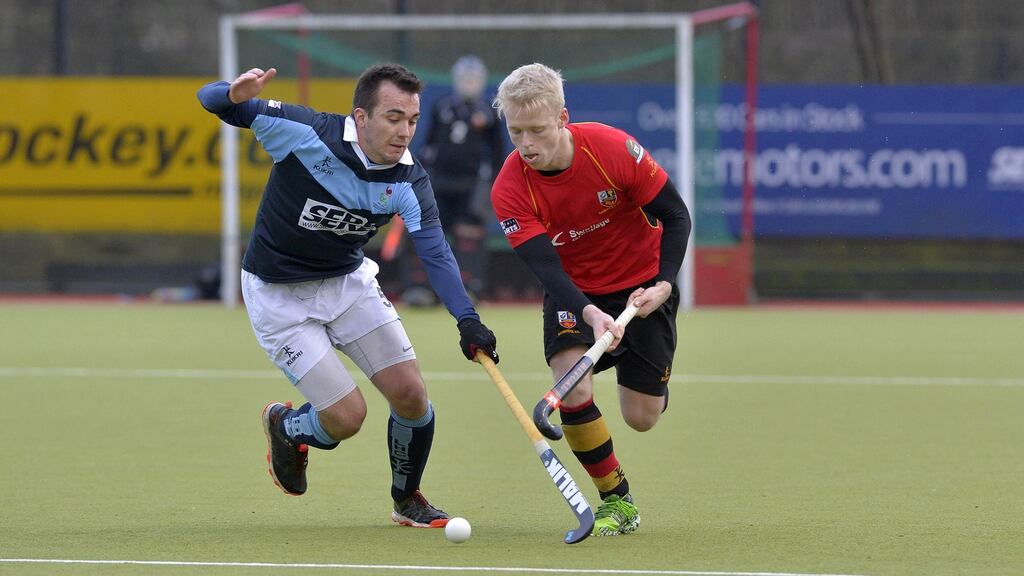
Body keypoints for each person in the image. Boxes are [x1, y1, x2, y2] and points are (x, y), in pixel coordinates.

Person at [197, 63, 499, 529]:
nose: (405, 132)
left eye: (413, 120)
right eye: (393, 117)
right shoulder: (304, 132)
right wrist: (233, 92)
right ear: (361, 117)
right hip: (279, 296)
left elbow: (436, 252)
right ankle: (286, 426)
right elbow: (212, 101)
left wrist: (467, 319)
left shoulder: (409, 180)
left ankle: (407, 499)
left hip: (347, 283)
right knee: (346, 418)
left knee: (411, 396)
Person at [489, 63, 691, 536]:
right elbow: (546, 269)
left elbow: (675, 216)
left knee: (641, 417)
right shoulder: (510, 187)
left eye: (537, 130)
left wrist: (664, 283)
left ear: (563, 117)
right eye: (516, 132)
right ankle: (617, 501)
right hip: (574, 293)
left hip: (643, 286)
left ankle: (645, 375)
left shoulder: (611, 149)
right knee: (573, 386)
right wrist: (590, 311)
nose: (527, 145)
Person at [402, 55, 506, 304]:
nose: (469, 84)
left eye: (474, 79)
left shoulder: (489, 112)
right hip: (439, 182)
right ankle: (421, 288)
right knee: (426, 231)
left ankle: (466, 289)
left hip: (471, 186)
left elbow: (497, 152)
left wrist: (494, 184)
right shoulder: (442, 106)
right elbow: (429, 143)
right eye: (465, 79)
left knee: (468, 236)